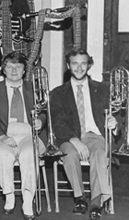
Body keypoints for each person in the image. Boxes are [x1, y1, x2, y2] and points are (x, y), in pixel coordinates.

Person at [51, 49, 119, 220]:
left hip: (95, 135)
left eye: (83, 63)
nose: (79, 67)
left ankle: (96, 203)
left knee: (99, 153)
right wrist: (75, 140)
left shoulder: (103, 89)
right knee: (69, 154)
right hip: (69, 137)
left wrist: (114, 124)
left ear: (88, 65)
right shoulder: (58, 93)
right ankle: (80, 198)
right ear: (68, 66)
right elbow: (57, 123)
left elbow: (116, 114)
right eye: (75, 63)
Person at [0, 52, 45, 219]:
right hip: (4, 134)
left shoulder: (33, 88)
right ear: (3, 70)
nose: (13, 71)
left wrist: (40, 121)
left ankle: (27, 199)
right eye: (9, 67)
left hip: (29, 134)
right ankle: (9, 194)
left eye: (18, 67)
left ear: (24, 70)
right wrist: (2, 137)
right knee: (0, 154)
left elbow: (44, 112)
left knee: (29, 154)